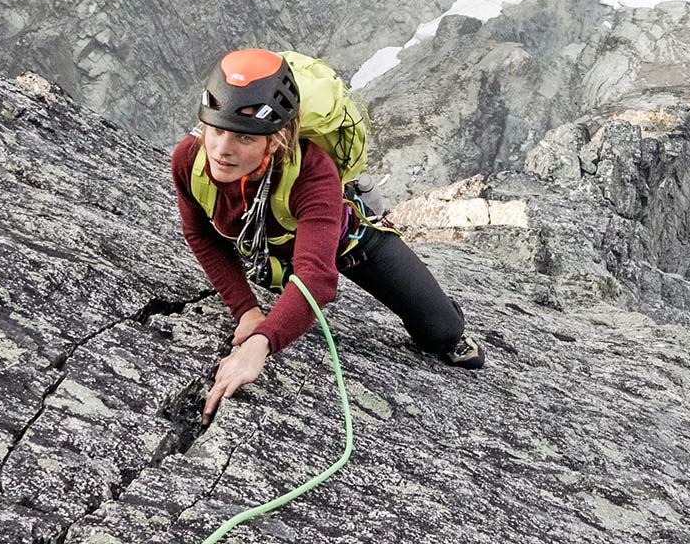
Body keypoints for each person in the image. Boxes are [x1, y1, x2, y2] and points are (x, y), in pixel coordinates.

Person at [170, 49, 484, 425]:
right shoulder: (189, 161)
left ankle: (442, 317)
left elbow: (318, 278)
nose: (222, 150)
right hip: (269, 248)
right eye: (216, 130)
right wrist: (246, 310)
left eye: (244, 138)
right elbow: (200, 234)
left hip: (348, 242)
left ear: (273, 141)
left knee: (442, 330)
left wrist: (259, 346)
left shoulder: (313, 174)